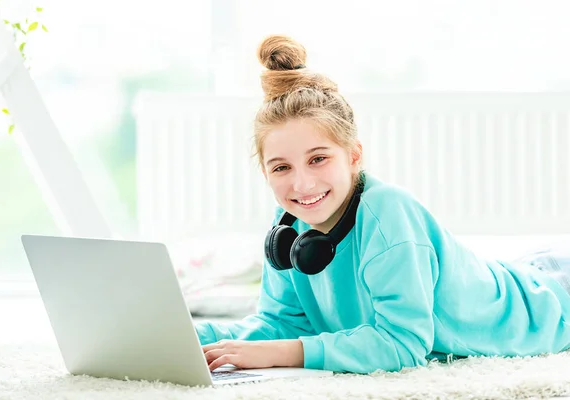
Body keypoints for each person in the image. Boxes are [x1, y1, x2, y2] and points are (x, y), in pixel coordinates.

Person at [195, 34, 570, 374]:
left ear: (354, 156)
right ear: (264, 171)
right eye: (281, 167)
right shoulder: (287, 226)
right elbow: (282, 326)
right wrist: (190, 333)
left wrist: (290, 352)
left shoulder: (388, 212)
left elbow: (403, 344)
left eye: (318, 158)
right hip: (522, 268)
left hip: (552, 300)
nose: (301, 183)